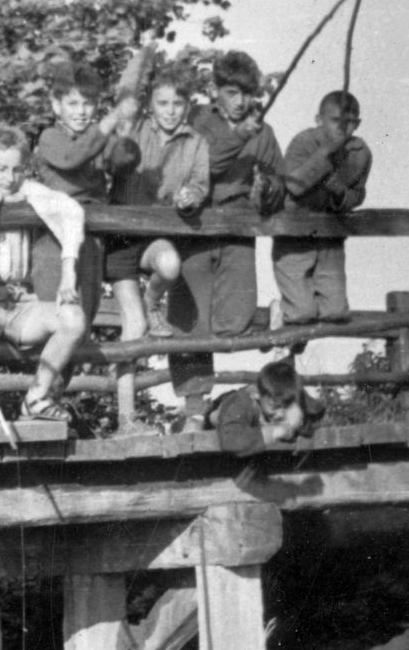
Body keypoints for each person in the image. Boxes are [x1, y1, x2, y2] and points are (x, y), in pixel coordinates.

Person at [169, 50, 284, 430]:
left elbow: (280, 178)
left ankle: (273, 316)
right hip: (194, 227)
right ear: (216, 90)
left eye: (247, 94)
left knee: (236, 319)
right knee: (190, 321)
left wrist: (270, 189)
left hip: (237, 228)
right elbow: (199, 166)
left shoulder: (263, 131)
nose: (240, 102)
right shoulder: (198, 120)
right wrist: (238, 136)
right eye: (232, 93)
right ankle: (194, 409)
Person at [0, 125, 89, 425]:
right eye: (1, 168)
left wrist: (68, 270)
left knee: (73, 318)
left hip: (19, 305)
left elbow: (71, 211)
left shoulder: (26, 190)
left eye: (17, 169)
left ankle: (37, 397)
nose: (9, 178)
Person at [108, 67, 210, 433]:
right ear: (150, 105)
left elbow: (199, 183)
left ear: (187, 106)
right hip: (120, 237)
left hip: (154, 235)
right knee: (133, 327)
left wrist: (190, 196)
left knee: (169, 265)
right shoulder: (135, 128)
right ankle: (127, 419)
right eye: (162, 103)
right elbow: (124, 101)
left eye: (177, 103)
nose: (169, 110)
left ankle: (153, 303)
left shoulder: (195, 142)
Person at [32, 62, 136, 329]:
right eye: (73, 103)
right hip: (54, 241)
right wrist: (112, 119)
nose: (81, 111)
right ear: (56, 106)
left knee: (85, 318)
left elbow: (124, 162)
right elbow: (71, 157)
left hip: (91, 240)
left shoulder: (97, 139)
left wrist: (125, 134)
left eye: (88, 104)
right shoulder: (49, 137)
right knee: (59, 320)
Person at [272, 90, 372, 328]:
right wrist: (324, 154)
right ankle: (281, 311)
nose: (343, 127)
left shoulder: (360, 152)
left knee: (335, 312)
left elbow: (358, 194)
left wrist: (340, 192)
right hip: (296, 233)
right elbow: (293, 186)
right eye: (336, 120)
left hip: (330, 236)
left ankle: (301, 318)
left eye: (350, 122)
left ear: (357, 123)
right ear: (319, 120)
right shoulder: (304, 142)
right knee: (301, 313)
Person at [210, 359, 321, 456]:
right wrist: (276, 431)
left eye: (286, 407)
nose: (280, 414)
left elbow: (316, 417)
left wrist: (298, 423)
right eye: (274, 407)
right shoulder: (244, 402)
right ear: (257, 394)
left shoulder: (290, 397)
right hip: (225, 406)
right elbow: (230, 441)